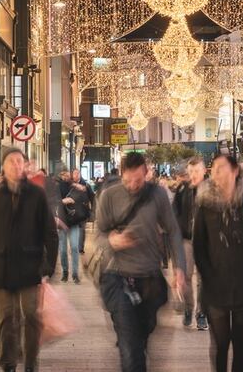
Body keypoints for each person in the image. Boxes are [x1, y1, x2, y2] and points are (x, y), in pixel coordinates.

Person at [0, 148, 59, 372]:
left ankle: (30, 363)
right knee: (6, 317)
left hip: (30, 266)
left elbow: (49, 231)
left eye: (20, 162)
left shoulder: (36, 195)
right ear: (3, 166)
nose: (16, 166)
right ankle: (7, 362)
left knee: (31, 316)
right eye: (12, 162)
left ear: (25, 166)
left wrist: (50, 264)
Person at [96, 151, 187, 372]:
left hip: (149, 278)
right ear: (121, 174)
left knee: (143, 333)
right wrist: (113, 241)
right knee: (130, 347)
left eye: (138, 180)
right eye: (128, 180)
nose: (133, 185)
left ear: (146, 174)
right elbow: (98, 235)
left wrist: (179, 269)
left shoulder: (157, 195)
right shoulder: (109, 196)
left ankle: (136, 346)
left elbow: (173, 231)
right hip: (118, 277)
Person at [194, 154, 243, 372]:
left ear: (235, 171)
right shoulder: (205, 203)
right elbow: (199, 245)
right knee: (220, 343)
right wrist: (207, 276)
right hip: (215, 284)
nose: (216, 173)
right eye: (214, 168)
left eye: (221, 168)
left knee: (241, 343)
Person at [173, 156, 208, 330]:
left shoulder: (211, 189)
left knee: (204, 278)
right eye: (191, 171)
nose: (194, 174)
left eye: (197, 171)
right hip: (186, 239)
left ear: (204, 171)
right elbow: (174, 213)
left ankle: (201, 313)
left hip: (206, 241)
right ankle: (188, 308)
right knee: (185, 276)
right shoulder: (182, 189)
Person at [59, 169, 91, 283]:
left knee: (74, 247)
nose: (66, 176)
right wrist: (63, 201)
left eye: (68, 174)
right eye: (64, 174)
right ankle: (65, 272)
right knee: (62, 250)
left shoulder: (76, 186)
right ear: (60, 175)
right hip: (62, 222)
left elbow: (84, 198)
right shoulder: (57, 186)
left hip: (74, 221)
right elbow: (52, 201)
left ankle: (75, 274)